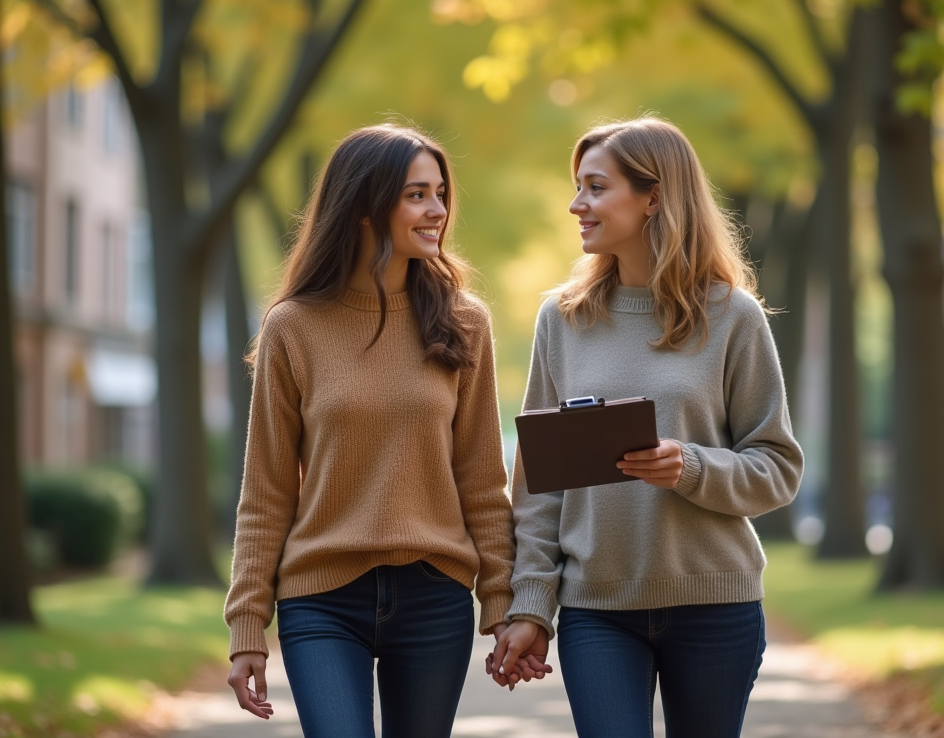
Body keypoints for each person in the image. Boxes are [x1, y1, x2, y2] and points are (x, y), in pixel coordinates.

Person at [492, 116, 804, 737]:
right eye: (577, 186)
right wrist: (531, 604)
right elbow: (537, 487)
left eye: (595, 187)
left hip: (715, 607)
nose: (576, 204)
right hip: (597, 610)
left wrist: (689, 466)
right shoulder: (562, 320)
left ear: (654, 196)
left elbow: (777, 467)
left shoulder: (734, 318)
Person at [224, 124, 518, 738]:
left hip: (433, 596)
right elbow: (267, 492)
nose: (437, 209)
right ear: (362, 207)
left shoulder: (465, 321)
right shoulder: (293, 327)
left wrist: (501, 604)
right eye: (416, 195)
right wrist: (247, 622)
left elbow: (483, 479)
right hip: (321, 599)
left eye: (439, 193)